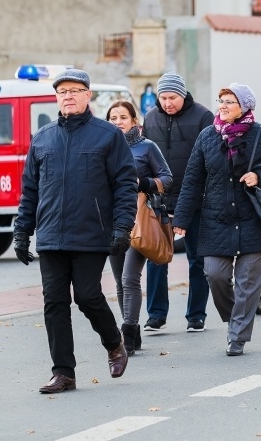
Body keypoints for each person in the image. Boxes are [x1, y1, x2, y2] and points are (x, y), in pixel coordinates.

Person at [13, 69, 138, 394]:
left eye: (74, 90)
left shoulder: (107, 135)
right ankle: (63, 372)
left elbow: (125, 184)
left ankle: (114, 344)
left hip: (90, 233)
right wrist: (22, 231)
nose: (68, 96)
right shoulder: (43, 138)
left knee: (86, 295)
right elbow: (30, 190)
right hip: (51, 235)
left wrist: (122, 226)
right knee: (54, 302)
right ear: (56, 97)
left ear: (87, 95)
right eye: (62, 91)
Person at [173, 84, 261, 356]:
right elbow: (192, 180)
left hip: (254, 220)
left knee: (247, 283)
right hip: (216, 219)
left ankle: (237, 337)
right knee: (215, 274)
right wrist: (181, 218)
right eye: (221, 100)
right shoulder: (207, 136)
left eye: (230, 101)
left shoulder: (260, 134)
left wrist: (259, 176)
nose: (223, 106)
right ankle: (235, 318)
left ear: (244, 107)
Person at [142, 72, 214, 333]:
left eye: (172, 97)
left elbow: (211, 159)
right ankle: (156, 315)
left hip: (195, 200)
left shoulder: (204, 117)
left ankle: (196, 315)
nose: (167, 102)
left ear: (183, 95)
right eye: (163, 98)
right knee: (156, 258)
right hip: (160, 200)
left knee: (198, 259)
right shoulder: (151, 118)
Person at [106, 100, 172, 355]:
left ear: (134, 121)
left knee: (129, 278)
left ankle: (128, 335)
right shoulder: (102, 147)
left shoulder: (147, 147)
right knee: (119, 282)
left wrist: (143, 182)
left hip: (139, 220)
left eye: (123, 117)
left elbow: (167, 178)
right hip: (111, 221)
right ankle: (132, 328)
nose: (118, 122)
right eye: (113, 118)